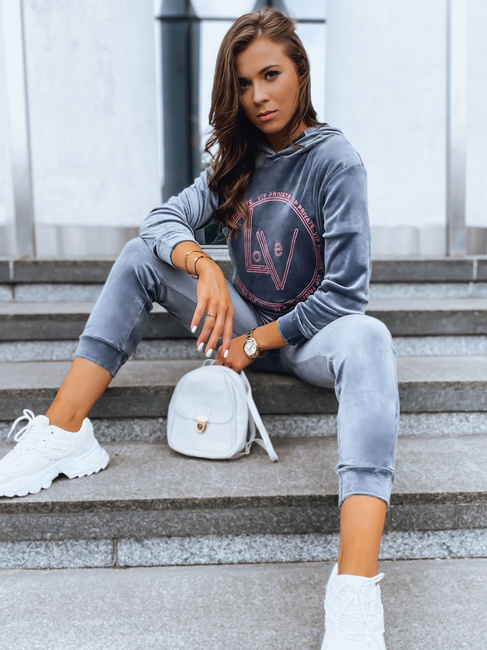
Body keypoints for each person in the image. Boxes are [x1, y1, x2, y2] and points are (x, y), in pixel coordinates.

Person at [0, 8, 399, 649]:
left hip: (310, 340)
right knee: (141, 256)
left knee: (371, 338)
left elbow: (347, 294)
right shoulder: (239, 162)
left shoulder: (335, 160)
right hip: (243, 317)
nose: (258, 96)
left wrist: (253, 343)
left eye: (270, 75)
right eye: (243, 84)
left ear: (300, 71)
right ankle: (65, 433)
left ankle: (354, 587)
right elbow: (160, 221)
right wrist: (203, 266)